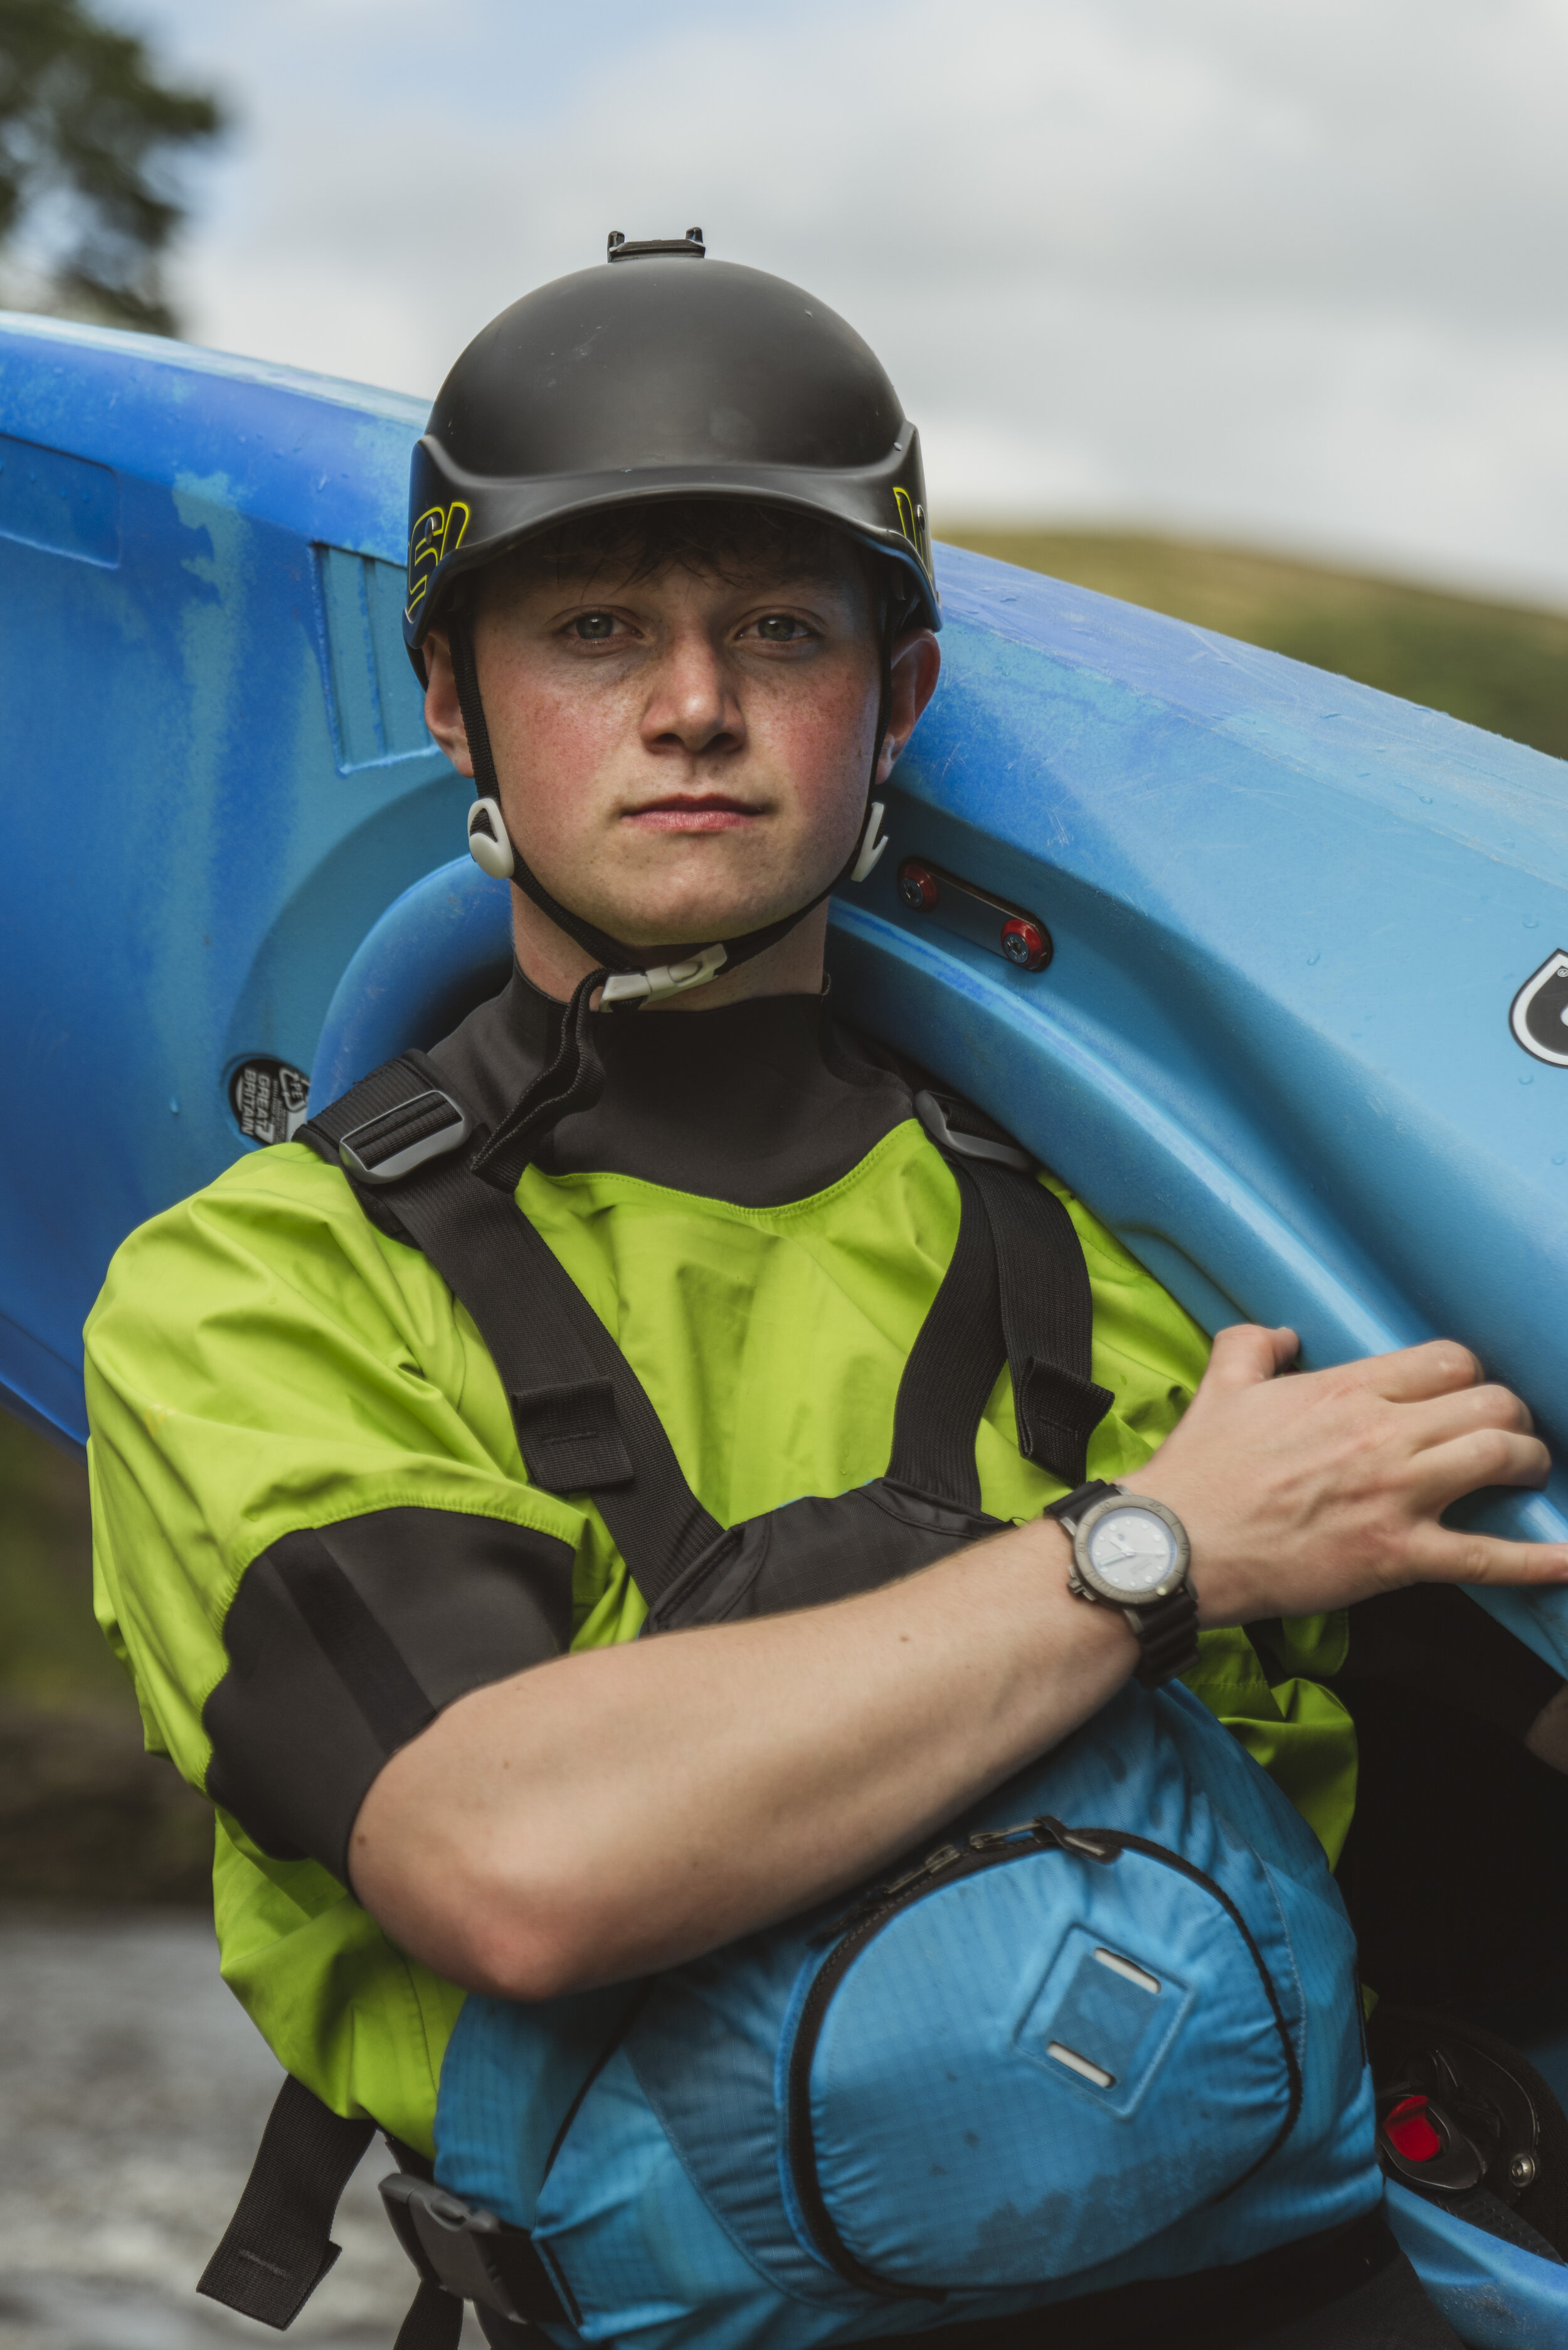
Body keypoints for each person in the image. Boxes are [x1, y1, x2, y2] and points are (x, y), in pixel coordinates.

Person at [85, 238, 1568, 2350]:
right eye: (595, 628)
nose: (691, 703)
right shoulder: (262, 1291)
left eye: (778, 628)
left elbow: (1483, 1704)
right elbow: (512, 1855)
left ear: (897, 697)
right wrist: (1153, 1551)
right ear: (451, 697)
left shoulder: (1159, 1242)